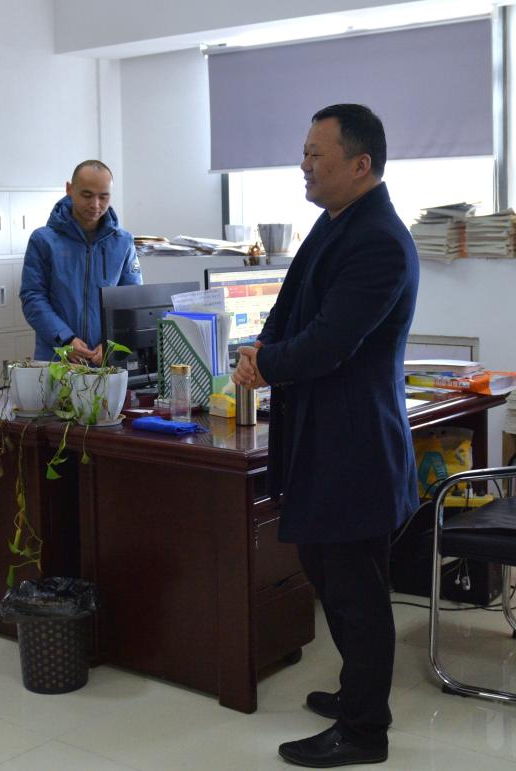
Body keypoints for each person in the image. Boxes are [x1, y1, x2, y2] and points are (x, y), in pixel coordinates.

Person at [232, 104, 419, 768]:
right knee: (326, 572)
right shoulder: (336, 221)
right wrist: (260, 346)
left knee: (355, 590)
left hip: (354, 446)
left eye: (317, 154)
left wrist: (266, 365)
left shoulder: (380, 240)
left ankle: (365, 730)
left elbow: (332, 342)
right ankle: (355, 693)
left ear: (360, 164)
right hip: (321, 439)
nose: (304, 164)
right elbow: (290, 306)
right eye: (305, 151)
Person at [20, 160, 141, 364]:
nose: (95, 204)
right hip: (57, 358)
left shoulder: (123, 242)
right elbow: (33, 297)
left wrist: (112, 340)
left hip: (104, 360)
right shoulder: (43, 240)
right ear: (69, 189)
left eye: (103, 197)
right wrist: (65, 339)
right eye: (87, 195)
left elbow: (131, 299)